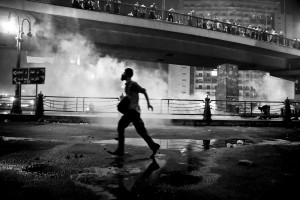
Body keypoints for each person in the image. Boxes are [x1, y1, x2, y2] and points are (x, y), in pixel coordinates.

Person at [107, 68, 160, 158]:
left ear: (127, 75)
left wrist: (149, 104)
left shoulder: (133, 84)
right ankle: (154, 146)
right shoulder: (127, 85)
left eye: (124, 73)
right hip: (133, 112)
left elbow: (144, 91)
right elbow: (129, 98)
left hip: (133, 111)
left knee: (121, 126)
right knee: (141, 131)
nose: (122, 74)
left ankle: (120, 150)